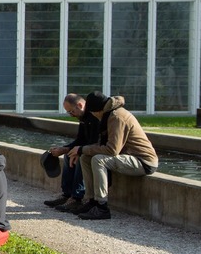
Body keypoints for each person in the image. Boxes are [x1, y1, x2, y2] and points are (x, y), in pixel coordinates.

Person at [75, 91, 160, 221]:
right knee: (85, 158)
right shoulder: (109, 114)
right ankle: (91, 201)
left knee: (98, 160)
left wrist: (83, 148)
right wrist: (83, 151)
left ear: (97, 111)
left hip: (143, 161)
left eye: (92, 113)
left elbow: (112, 150)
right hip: (130, 157)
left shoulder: (116, 117)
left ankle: (101, 207)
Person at [43, 93, 100, 212]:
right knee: (69, 155)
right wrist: (64, 149)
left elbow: (95, 142)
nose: (71, 115)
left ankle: (77, 197)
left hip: (98, 149)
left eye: (71, 111)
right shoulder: (83, 118)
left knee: (80, 156)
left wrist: (76, 150)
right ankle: (67, 194)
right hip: (89, 147)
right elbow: (80, 140)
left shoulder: (95, 116)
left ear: (80, 105)